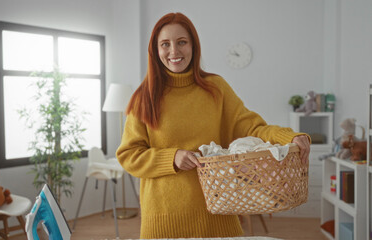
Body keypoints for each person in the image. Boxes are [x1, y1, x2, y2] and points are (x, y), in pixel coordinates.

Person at [116, 12, 310, 239]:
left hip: (219, 214)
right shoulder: (144, 97)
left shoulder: (215, 88)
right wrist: (172, 158)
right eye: (165, 44)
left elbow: (252, 128)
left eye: (182, 42)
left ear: (193, 46)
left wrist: (289, 137)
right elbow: (129, 155)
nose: (174, 52)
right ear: (156, 50)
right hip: (163, 219)